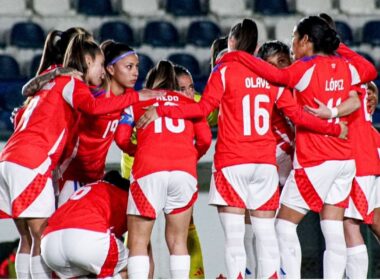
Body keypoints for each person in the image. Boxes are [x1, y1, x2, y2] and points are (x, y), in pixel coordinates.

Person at [136, 18, 347, 279]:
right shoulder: (270, 76)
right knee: (266, 232)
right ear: (257, 47)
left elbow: (202, 109)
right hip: (264, 164)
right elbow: (298, 115)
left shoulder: (224, 70)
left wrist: (163, 108)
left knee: (235, 238)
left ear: (232, 42)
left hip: (232, 161)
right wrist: (333, 128)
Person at [218, 16, 377, 278]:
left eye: (294, 37)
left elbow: (273, 74)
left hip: (316, 159)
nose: (291, 44)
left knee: (283, 226)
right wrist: (334, 108)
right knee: (333, 228)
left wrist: (236, 55)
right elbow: (369, 71)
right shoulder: (345, 66)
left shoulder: (305, 68)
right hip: (344, 159)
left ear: (305, 40)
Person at [0, 33, 155, 279]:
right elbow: (93, 109)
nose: (102, 71)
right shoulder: (80, 89)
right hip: (61, 173)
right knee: (46, 237)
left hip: (21, 158)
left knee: (33, 239)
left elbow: (27, 99)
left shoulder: (64, 82)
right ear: (87, 60)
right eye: (100, 64)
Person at [115, 60, 212, 278]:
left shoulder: (137, 100)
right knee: (179, 242)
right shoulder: (189, 103)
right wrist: (190, 156)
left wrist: (135, 150)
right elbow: (205, 139)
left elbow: (120, 137)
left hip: (148, 169)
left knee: (139, 242)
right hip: (184, 171)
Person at [57, 40, 140, 206]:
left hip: (94, 177)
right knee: (59, 226)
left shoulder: (128, 98)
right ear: (110, 69)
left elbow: (122, 139)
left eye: (137, 66)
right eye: (129, 67)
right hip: (69, 174)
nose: (136, 73)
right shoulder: (91, 94)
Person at [41, 170, 130, 278]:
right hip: (86, 238)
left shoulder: (91, 189)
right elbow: (139, 242)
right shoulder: (123, 195)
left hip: (49, 244)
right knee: (136, 263)